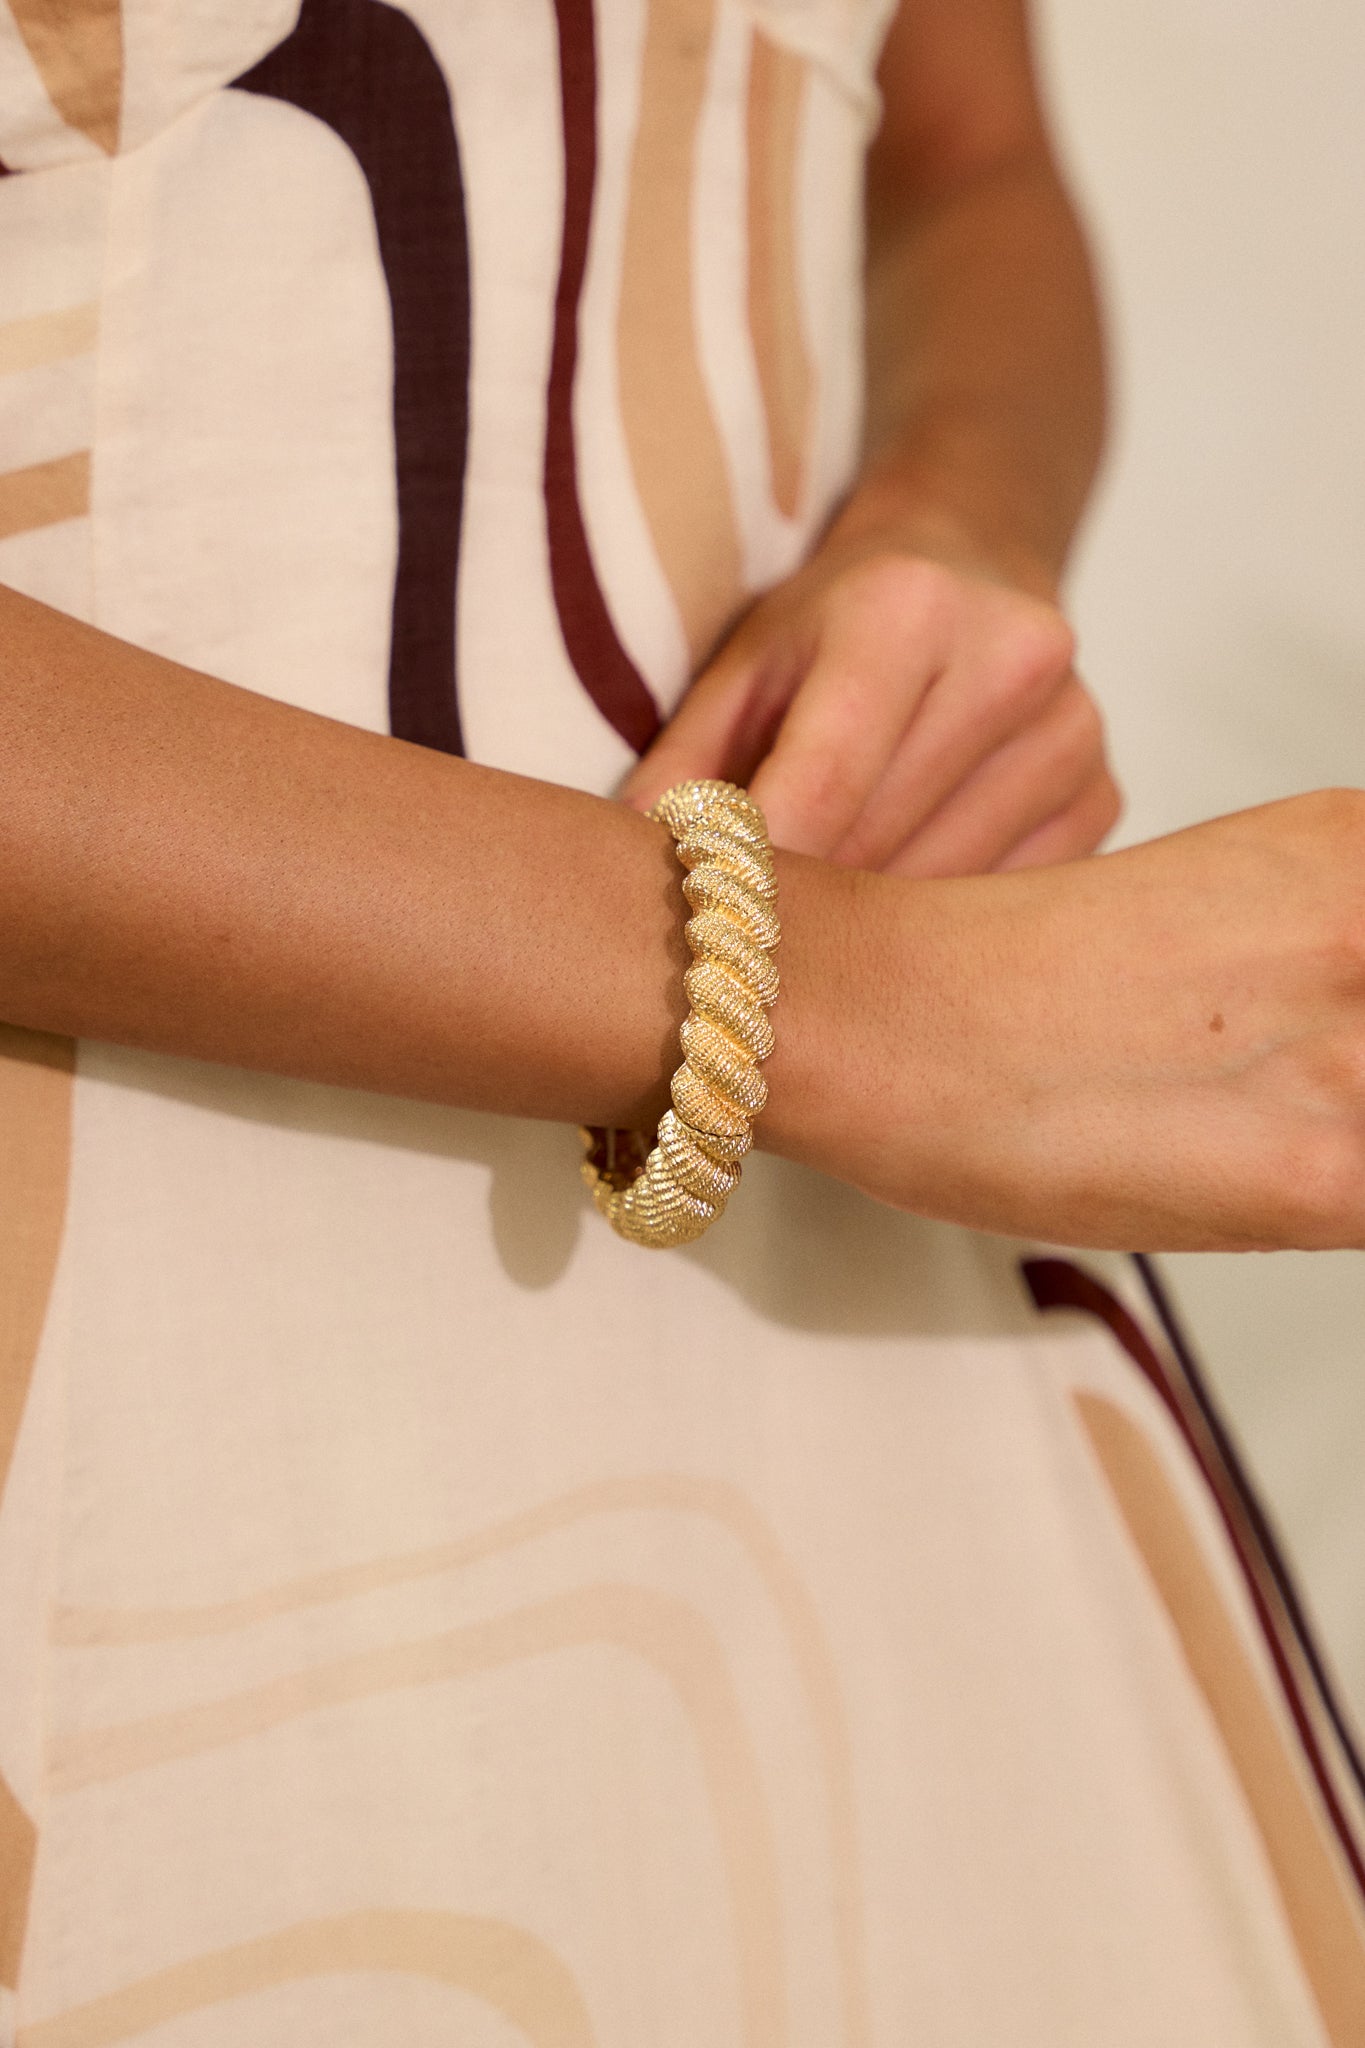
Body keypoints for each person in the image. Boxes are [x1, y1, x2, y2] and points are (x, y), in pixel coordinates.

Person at [0, 0, 1362, 2039]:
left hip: (886, 1350)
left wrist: (944, 526)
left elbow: (958, 165)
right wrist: (863, 1006)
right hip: (131, 1359)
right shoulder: (899, 1027)